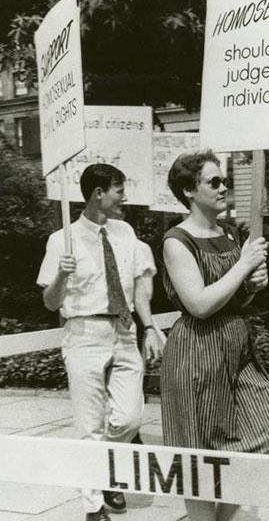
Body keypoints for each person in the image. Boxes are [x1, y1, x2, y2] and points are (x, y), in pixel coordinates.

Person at [161, 150, 269, 521]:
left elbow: (235, 294)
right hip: (197, 353)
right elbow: (198, 303)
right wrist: (243, 266)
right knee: (199, 462)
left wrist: (255, 284)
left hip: (237, 348)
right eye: (213, 181)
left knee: (259, 443)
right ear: (188, 191)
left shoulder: (229, 233)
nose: (223, 186)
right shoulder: (176, 241)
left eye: (224, 179)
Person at [36, 164, 161, 521]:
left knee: (129, 419)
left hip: (123, 332)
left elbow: (138, 286)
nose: (125, 197)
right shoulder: (62, 240)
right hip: (84, 333)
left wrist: (149, 327)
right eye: (119, 190)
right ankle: (93, 507)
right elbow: (50, 302)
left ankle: (105, 468)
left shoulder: (125, 233)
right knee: (89, 426)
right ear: (98, 194)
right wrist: (62, 272)